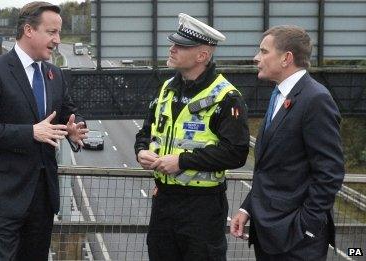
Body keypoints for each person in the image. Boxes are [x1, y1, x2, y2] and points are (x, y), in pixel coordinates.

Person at [0, 2, 88, 260]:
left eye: (59, 33)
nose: (57, 40)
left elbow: (70, 113)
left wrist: (75, 129)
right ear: (28, 30)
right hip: (2, 197)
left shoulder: (55, 74)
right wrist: (30, 132)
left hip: (41, 199)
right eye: (51, 32)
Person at [135, 13, 250, 261]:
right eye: (173, 43)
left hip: (203, 207)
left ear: (202, 56)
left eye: (181, 46)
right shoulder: (166, 88)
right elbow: (146, 132)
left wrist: (183, 161)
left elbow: (236, 152)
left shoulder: (226, 97)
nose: (172, 49)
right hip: (164, 201)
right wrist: (141, 150)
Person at [230, 25, 345, 260]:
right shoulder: (279, 95)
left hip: (296, 240)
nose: (256, 58)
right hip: (269, 234)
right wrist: (247, 208)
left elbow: (330, 173)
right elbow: (272, 167)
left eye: (263, 51)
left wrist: (306, 227)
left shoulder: (316, 99)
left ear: (286, 58)